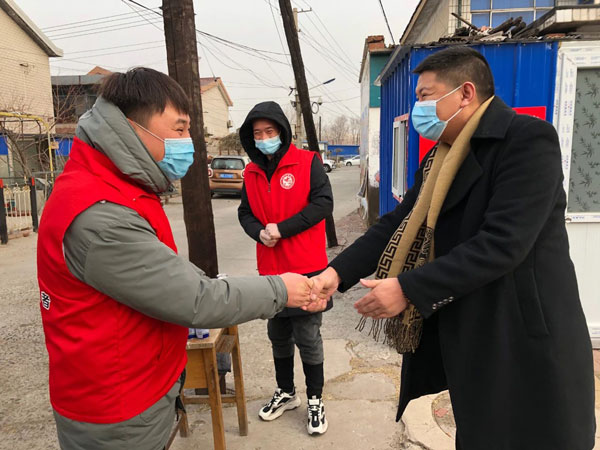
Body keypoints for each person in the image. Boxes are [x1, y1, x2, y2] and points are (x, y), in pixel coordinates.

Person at [310, 47, 595, 449]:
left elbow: (503, 243)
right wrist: (336, 273)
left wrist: (408, 289)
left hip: (522, 333)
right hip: (473, 328)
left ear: (465, 93)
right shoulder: (441, 157)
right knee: (481, 432)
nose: (418, 108)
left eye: (425, 96)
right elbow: (397, 223)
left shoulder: (526, 140)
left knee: (534, 434)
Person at [37, 68, 315, 450]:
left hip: (135, 386)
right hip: (118, 410)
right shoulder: (101, 214)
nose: (188, 143)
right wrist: (279, 288)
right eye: (179, 129)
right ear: (130, 126)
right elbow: (195, 299)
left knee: (308, 342)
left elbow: (159, 269)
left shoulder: (118, 185)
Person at [238, 101, 333, 435]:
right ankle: (286, 392)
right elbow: (245, 213)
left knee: (308, 337)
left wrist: (283, 228)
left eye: (270, 131)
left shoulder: (308, 162)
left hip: (307, 268)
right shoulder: (251, 172)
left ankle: (315, 399)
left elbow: (323, 204)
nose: (264, 138)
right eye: (257, 133)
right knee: (277, 335)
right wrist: (259, 232)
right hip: (271, 272)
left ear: (282, 131)